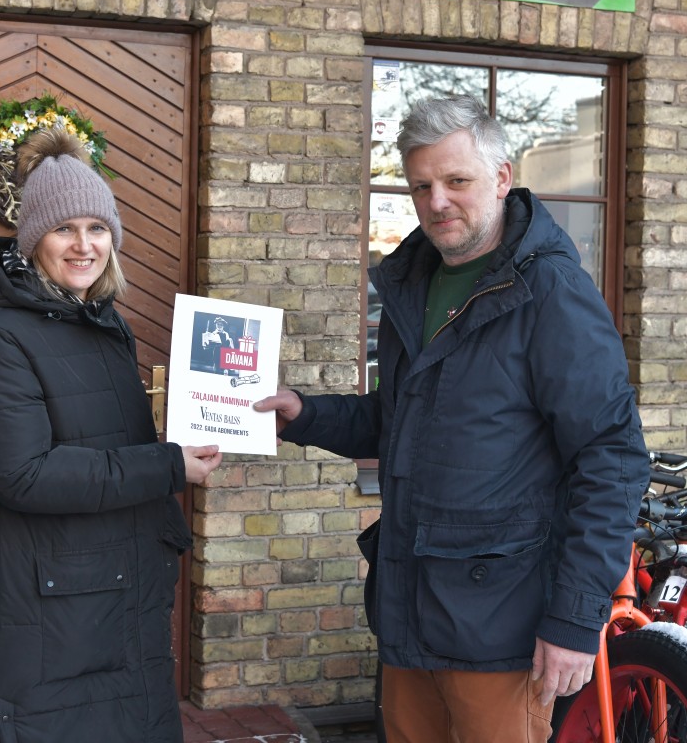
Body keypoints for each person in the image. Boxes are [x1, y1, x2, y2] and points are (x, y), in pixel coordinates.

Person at [255, 95, 651, 743]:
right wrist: (304, 414)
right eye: (421, 186)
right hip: (410, 619)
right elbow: (399, 422)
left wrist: (575, 620)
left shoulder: (550, 292)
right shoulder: (413, 284)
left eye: (456, 180)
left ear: (501, 178)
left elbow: (612, 457)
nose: (437, 201)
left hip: (503, 633)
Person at [0, 127, 222, 742]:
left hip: (105, 596)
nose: (83, 245)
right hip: (44, 616)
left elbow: (102, 446)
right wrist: (168, 466)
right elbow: (24, 473)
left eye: (97, 228)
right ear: (33, 237)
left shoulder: (100, 322)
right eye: (64, 228)